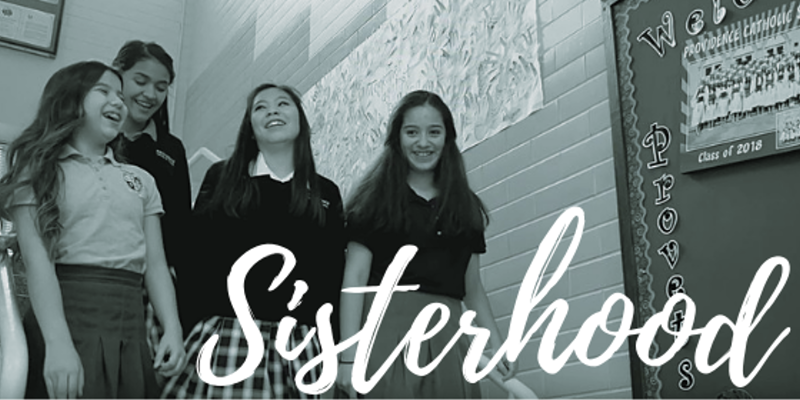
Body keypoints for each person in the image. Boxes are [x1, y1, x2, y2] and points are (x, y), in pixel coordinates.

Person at [0, 61, 186, 398]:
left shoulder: (142, 180)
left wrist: (172, 327)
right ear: (69, 100)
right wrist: (57, 345)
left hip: (130, 320)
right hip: (64, 315)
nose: (118, 102)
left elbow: (156, 264)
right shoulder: (37, 172)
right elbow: (39, 265)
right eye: (103, 91)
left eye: (120, 95)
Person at [162, 83, 346, 398]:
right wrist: (185, 328)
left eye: (283, 104)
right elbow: (193, 260)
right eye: (260, 107)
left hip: (300, 344)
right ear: (250, 126)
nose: (272, 110)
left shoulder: (324, 192)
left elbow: (330, 276)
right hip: (228, 337)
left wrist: (334, 350)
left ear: (300, 120)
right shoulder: (222, 178)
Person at [335, 90, 516, 398]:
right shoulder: (373, 203)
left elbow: (472, 288)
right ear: (397, 138)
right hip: (385, 339)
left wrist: (497, 346)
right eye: (411, 132)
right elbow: (354, 280)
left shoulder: (465, 207)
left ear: (448, 139)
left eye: (434, 132)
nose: (423, 142)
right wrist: (348, 358)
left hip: (449, 341)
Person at [109, 40, 192, 357]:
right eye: (140, 81)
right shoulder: (92, 133)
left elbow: (181, 223)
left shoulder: (171, 150)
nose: (149, 94)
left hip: (148, 283)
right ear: (118, 75)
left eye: (161, 87)